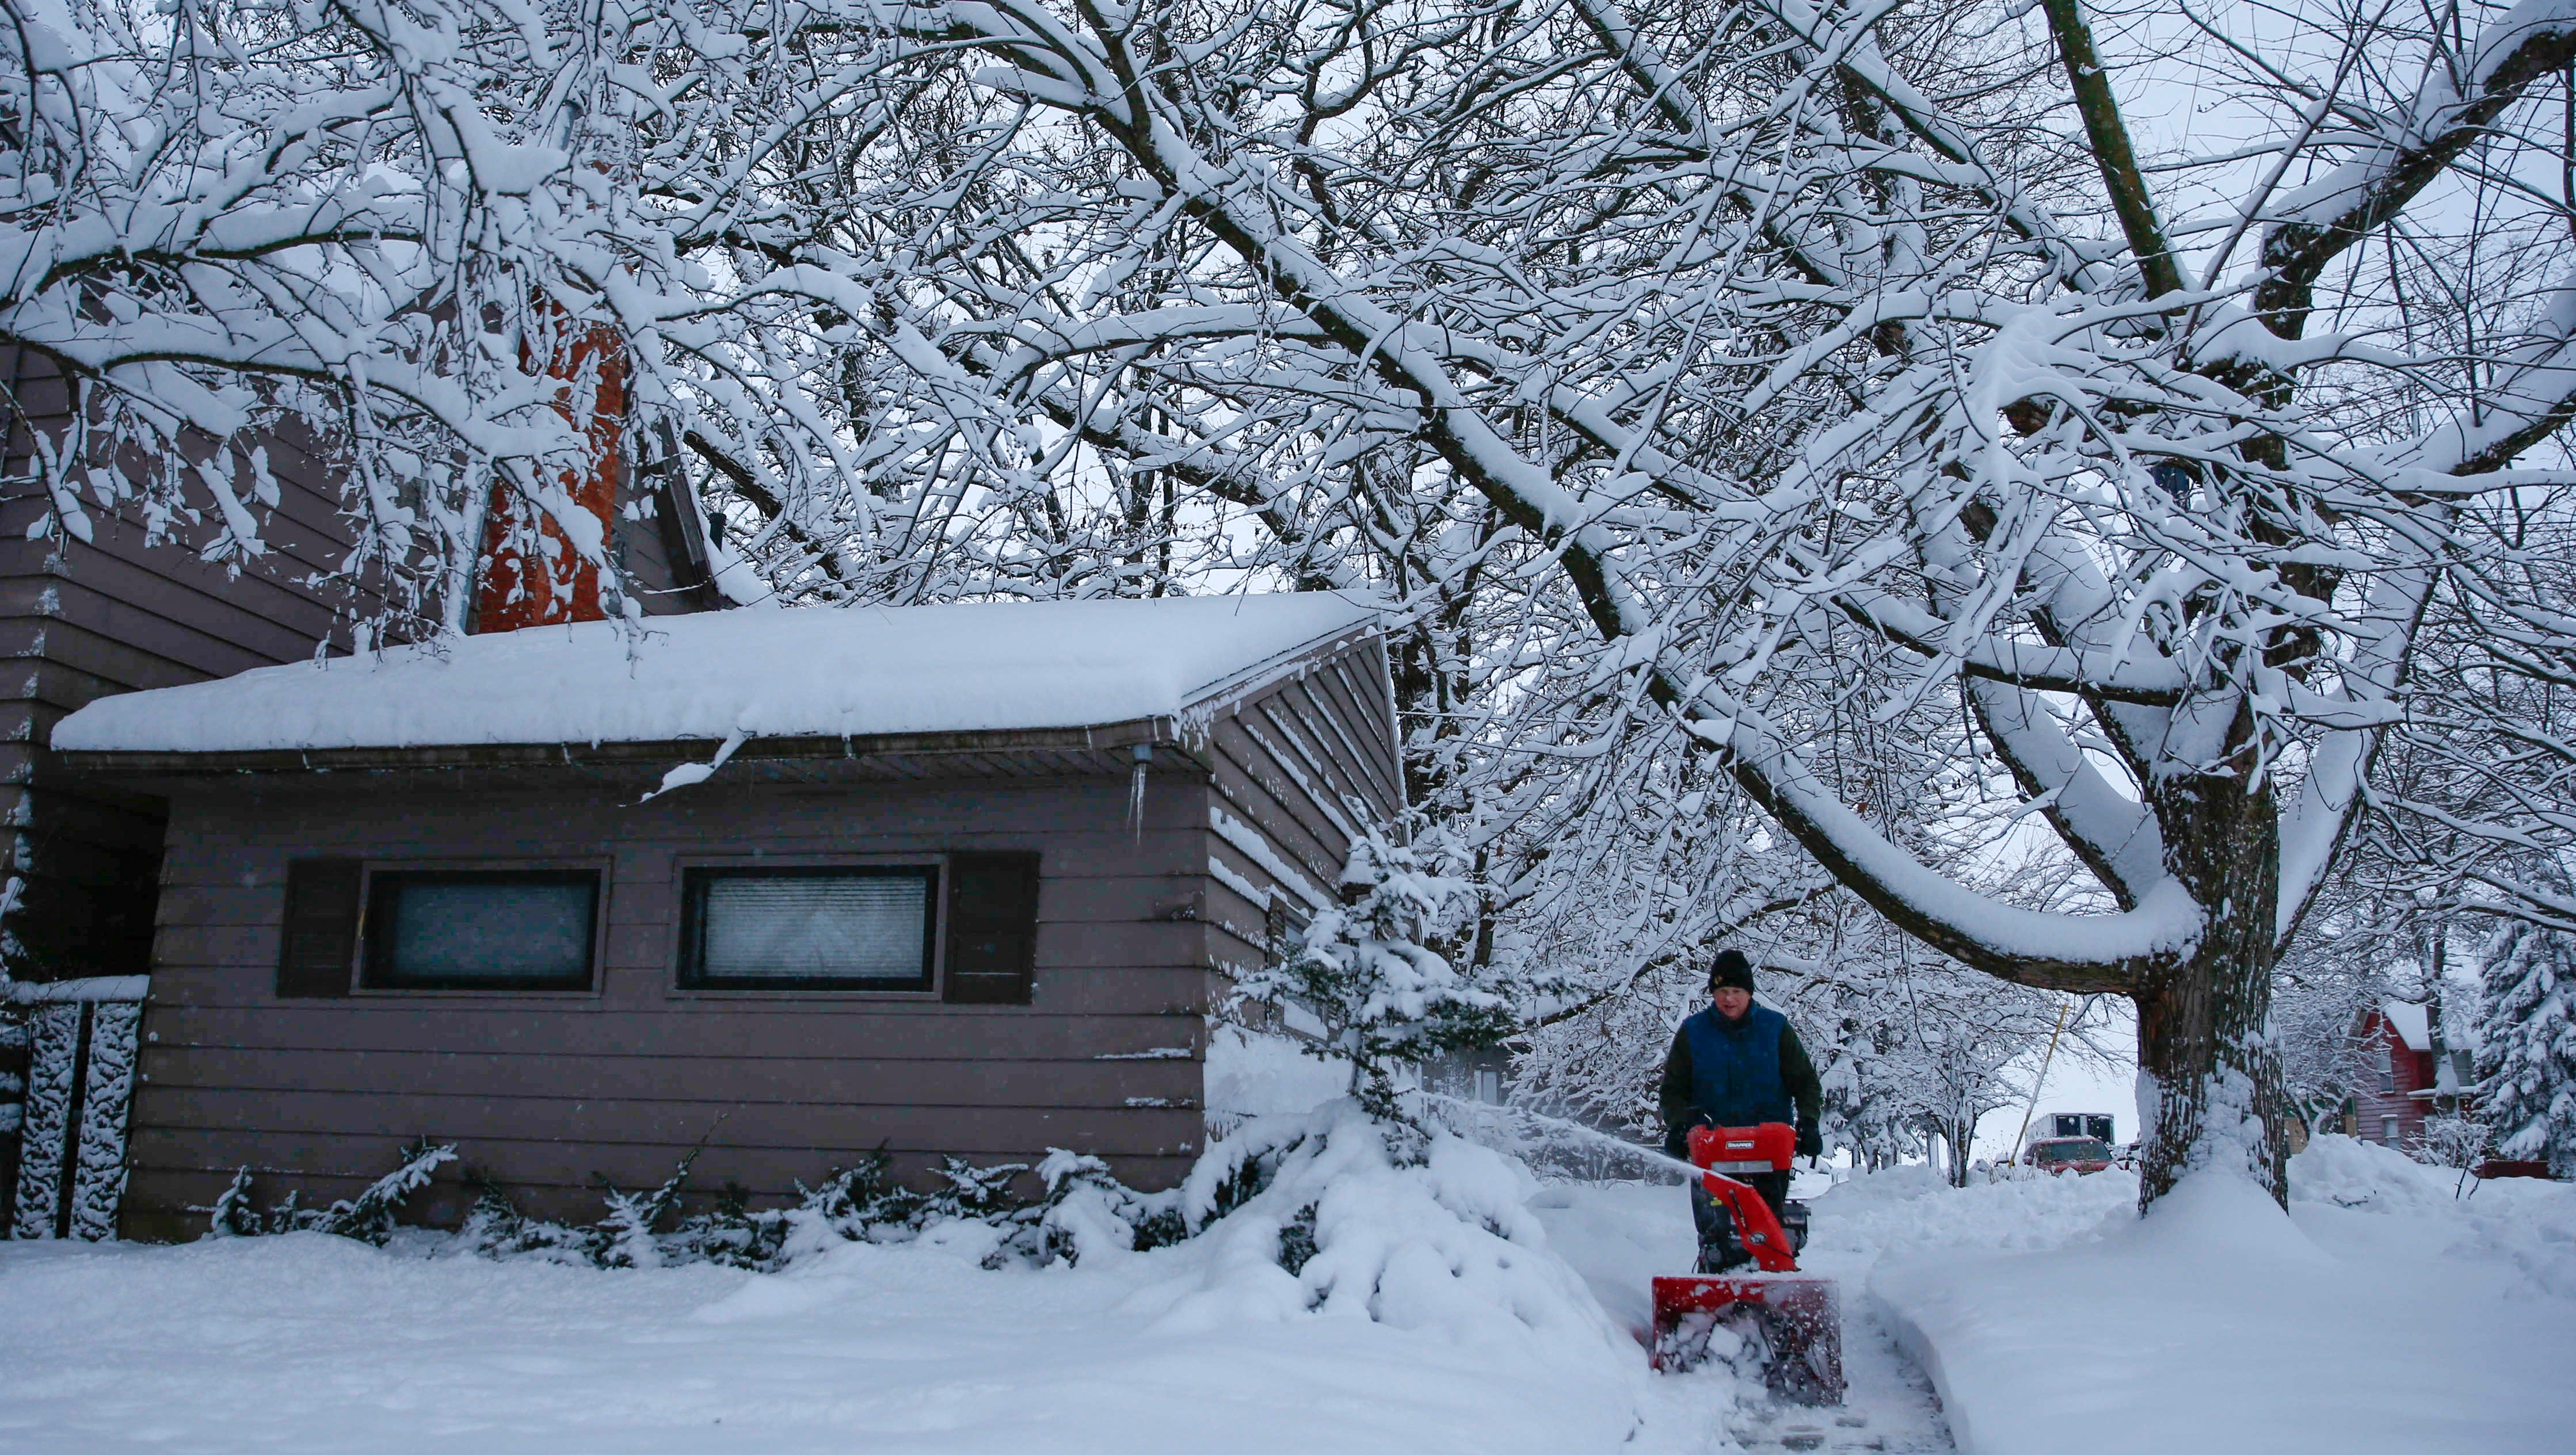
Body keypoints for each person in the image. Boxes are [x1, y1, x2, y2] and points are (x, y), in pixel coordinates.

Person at [1659, 949, 1823, 1272]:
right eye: (1721, 992)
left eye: (1736, 991)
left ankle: (1772, 1275)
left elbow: (1805, 1082)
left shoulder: (1775, 1029)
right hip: (1712, 1147)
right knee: (1716, 1224)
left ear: (1749, 993)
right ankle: (1715, 1271)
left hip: (1768, 1148)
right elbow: (1673, 1088)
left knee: (1765, 1222)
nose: (1728, 999)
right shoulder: (1694, 1033)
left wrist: (1809, 1122)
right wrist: (1680, 1124)